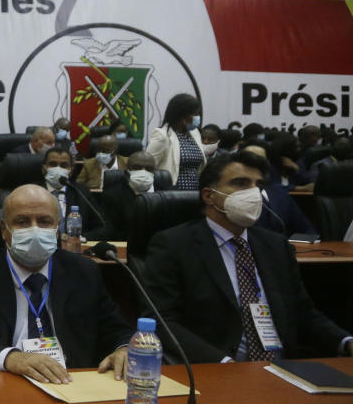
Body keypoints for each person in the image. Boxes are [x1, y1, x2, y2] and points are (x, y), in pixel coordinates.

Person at [144, 151, 352, 363]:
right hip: (218, 368)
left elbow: (302, 311)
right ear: (209, 195)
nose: (253, 193)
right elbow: (162, 321)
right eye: (241, 183)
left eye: (257, 185)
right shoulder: (174, 244)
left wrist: (345, 341)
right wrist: (223, 363)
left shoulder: (275, 244)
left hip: (283, 368)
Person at [0, 184, 133, 382]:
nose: (34, 230)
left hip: (72, 384)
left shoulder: (82, 271)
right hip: (3, 385)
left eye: (45, 222)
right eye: (22, 222)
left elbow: (115, 329)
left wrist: (122, 348)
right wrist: (9, 358)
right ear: (4, 229)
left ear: (57, 227)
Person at [239, 145, 316, 237]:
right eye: (248, 160)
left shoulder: (279, 192)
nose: (255, 164)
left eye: (260, 160)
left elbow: (306, 229)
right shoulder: (233, 196)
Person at [146, 93, 206, 189]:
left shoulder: (195, 133)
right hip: (171, 193)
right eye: (195, 114)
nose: (197, 117)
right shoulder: (162, 135)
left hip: (195, 193)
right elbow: (147, 166)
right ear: (182, 116)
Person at [41, 146, 101, 238]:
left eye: (63, 165)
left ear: (71, 170)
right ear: (44, 168)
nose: (58, 169)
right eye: (53, 164)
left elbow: (101, 226)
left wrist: (80, 239)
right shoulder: (32, 191)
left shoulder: (81, 192)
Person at [96, 151, 157, 240]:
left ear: (154, 172)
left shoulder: (166, 194)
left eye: (149, 169)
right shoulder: (111, 196)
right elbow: (110, 232)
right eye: (137, 167)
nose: (143, 172)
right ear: (127, 172)